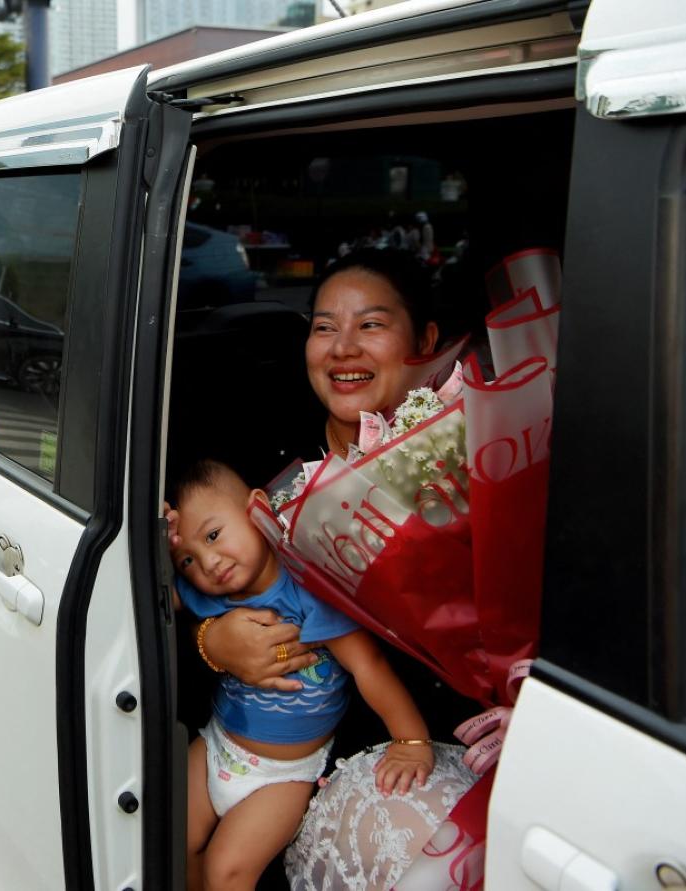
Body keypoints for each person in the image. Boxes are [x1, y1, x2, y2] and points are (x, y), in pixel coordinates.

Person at [169, 250, 480, 887]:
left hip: (396, 757)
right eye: (322, 327)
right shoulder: (261, 459)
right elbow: (194, 575)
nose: (342, 348)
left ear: (423, 341)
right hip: (252, 735)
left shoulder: (470, 454)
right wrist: (211, 642)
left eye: (370, 325)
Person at [170, 459, 433, 891]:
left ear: (258, 509)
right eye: (187, 560)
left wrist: (412, 740)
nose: (209, 562)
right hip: (216, 744)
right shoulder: (204, 594)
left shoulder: (308, 589)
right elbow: (145, 585)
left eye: (214, 535)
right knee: (175, 840)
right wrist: (158, 536)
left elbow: (368, 664)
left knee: (227, 871)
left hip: (283, 775)